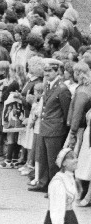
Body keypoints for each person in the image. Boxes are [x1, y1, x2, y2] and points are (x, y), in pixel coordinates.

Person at [31, 58, 72, 193]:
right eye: (45, 71)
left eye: (49, 71)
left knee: (53, 161)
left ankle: (54, 188)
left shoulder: (62, 89)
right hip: (45, 126)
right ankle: (43, 183)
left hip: (55, 129)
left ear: (57, 72)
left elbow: (66, 112)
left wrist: (63, 129)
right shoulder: (49, 85)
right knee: (43, 158)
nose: (46, 74)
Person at [45, 149, 79, 224]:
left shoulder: (69, 178)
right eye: (72, 158)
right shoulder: (58, 182)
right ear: (63, 163)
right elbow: (56, 209)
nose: (76, 160)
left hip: (69, 217)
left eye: (76, 157)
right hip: (60, 219)